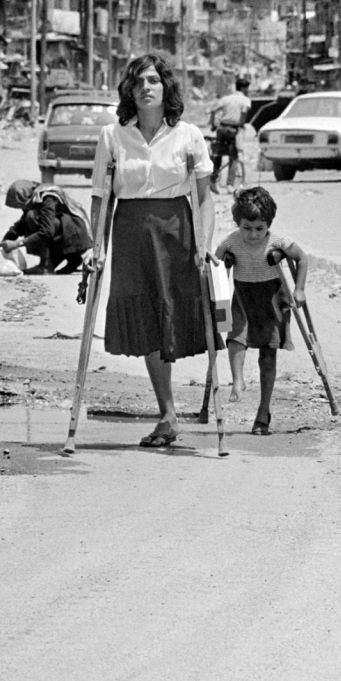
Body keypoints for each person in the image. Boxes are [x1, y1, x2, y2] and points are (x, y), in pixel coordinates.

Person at [91, 52, 215, 448]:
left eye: (153, 81)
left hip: (175, 231)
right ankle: (168, 413)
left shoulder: (188, 135)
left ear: (166, 88)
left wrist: (204, 243)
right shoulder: (113, 136)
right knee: (145, 318)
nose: (146, 88)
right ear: (129, 89)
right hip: (130, 233)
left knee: (171, 314)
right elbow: (101, 197)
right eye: (139, 81)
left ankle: (175, 412)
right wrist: (97, 245)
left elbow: (205, 198)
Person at [215, 186, 308, 436]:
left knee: (268, 356)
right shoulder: (232, 240)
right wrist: (222, 262)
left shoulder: (277, 241)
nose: (253, 235)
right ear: (238, 223)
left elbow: (302, 258)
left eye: (259, 228)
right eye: (247, 228)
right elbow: (215, 259)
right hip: (243, 296)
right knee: (235, 338)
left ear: (268, 224)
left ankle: (263, 411)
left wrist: (299, 289)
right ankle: (238, 380)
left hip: (271, 299)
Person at [0, 179, 92, 276]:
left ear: (25, 197)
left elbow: (47, 232)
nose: (22, 209)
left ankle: (45, 266)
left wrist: (18, 243)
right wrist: (2, 244)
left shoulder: (47, 197)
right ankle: (73, 258)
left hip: (78, 237)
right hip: (72, 238)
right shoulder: (36, 197)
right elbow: (19, 226)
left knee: (32, 217)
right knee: (30, 217)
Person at [209, 76, 252, 193]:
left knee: (217, 155)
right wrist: (242, 124)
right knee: (233, 157)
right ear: (243, 88)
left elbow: (213, 110)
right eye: (247, 88)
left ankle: (213, 182)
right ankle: (229, 184)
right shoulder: (245, 100)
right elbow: (243, 113)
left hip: (221, 128)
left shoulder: (226, 98)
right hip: (233, 129)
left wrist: (213, 124)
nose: (248, 90)